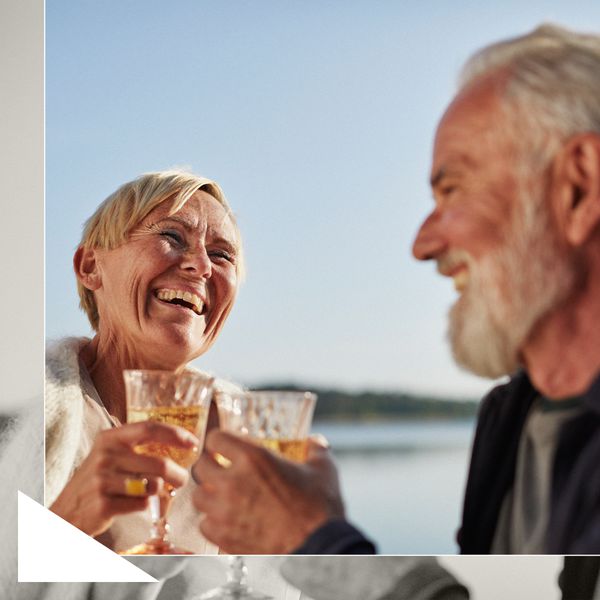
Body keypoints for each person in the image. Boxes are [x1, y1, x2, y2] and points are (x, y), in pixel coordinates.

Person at [191, 23, 600, 562]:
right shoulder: (510, 418)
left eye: (452, 189)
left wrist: (313, 545)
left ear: (578, 187)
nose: (422, 244)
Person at [45, 169, 244, 554]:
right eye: (171, 236)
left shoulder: (242, 433)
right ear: (90, 266)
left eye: (221, 255)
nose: (202, 266)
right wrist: (68, 520)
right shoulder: (23, 411)